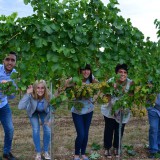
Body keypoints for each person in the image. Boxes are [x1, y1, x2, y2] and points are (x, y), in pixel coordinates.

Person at [65, 64, 98, 160]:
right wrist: (73, 83)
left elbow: (100, 86)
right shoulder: (75, 79)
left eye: (88, 69)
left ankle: (83, 153)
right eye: (83, 70)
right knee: (81, 134)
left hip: (89, 110)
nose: (86, 72)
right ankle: (76, 155)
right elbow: (65, 85)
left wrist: (95, 99)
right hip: (77, 111)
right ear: (79, 71)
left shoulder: (92, 78)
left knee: (86, 133)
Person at [101, 64, 134, 159]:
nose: (123, 74)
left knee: (120, 128)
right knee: (109, 128)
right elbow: (106, 98)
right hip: (110, 109)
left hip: (123, 109)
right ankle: (107, 148)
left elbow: (131, 96)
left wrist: (126, 104)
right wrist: (113, 89)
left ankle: (116, 147)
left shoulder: (130, 83)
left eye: (125, 72)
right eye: (120, 72)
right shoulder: (111, 82)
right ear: (116, 73)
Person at [18, 80, 52, 160]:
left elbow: (52, 108)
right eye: (38, 88)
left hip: (44, 111)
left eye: (42, 88)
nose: (40, 90)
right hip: (33, 112)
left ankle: (46, 151)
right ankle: (38, 152)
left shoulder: (49, 95)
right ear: (34, 88)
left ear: (45, 88)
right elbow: (20, 107)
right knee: (36, 129)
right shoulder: (31, 94)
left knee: (47, 130)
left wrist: (48, 119)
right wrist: (27, 94)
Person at [0, 51, 17, 160]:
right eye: (7, 59)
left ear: (15, 62)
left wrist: (9, 90)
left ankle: (6, 153)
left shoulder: (16, 74)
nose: (10, 62)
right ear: (3, 61)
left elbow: (12, 97)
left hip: (3, 105)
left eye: (12, 60)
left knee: (10, 130)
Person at [147, 94, 160, 158]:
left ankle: (158, 146)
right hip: (153, 108)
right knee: (153, 128)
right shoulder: (152, 83)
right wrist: (149, 107)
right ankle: (153, 150)